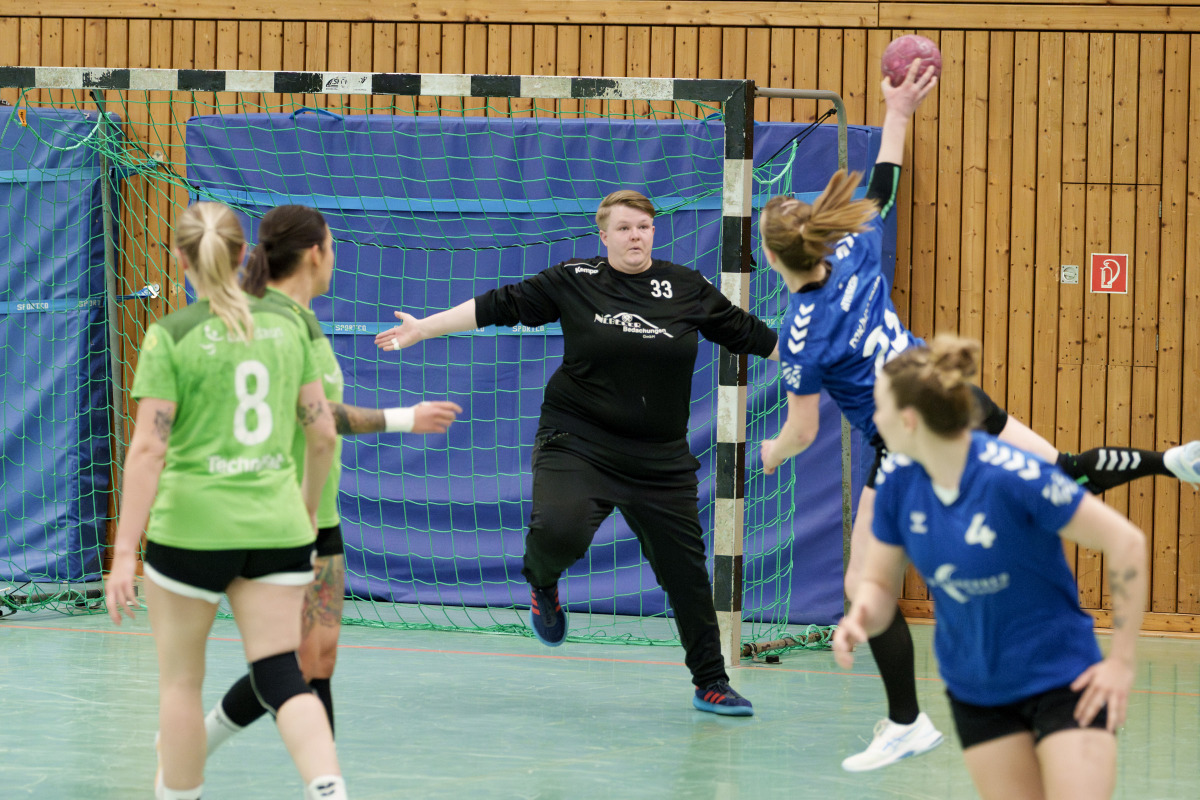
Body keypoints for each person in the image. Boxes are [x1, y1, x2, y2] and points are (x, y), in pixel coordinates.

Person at [758, 60, 1200, 771]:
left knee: (863, 585)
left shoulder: (802, 330)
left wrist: (772, 453)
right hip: (950, 391)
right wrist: (898, 110)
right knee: (1059, 470)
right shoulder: (854, 246)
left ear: (771, 257)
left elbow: (804, 430)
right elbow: (883, 184)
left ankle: (906, 721)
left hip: (905, 436)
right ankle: (1169, 461)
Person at [373, 190, 780, 715]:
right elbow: (500, 305)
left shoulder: (685, 286)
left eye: (644, 227)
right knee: (559, 531)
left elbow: (747, 332)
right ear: (604, 235)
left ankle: (711, 682)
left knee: (687, 575)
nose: (635, 236)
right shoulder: (575, 279)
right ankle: (542, 583)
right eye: (625, 228)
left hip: (659, 459)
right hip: (578, 440)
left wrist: (813, 356)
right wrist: (424, 328)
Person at [104, 202, 349, 800]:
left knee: (180, 686)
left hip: (191, 530)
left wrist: (124, 552)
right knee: (283, 672)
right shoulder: (289, 327)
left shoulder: (171, 335)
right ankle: (328, 788)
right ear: (245, 255)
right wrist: (302, 511)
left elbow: (148, 450)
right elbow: (321, 433)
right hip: (276, 528)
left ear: (179, 259)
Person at [833, 335, 1145, 799]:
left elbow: (1127, 542)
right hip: (976, 691)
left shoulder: (1014, 475)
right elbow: (877, 583)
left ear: (909, 420)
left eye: (879, 408)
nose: (873, 419)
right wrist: (860, 617)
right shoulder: (897, 484)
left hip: (1063, 680)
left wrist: (1121, 661)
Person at [201, 205, 462, 752]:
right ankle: (204, 749)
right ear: (315, 253)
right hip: (278, 513)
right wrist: (403, 418)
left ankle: (201, 746)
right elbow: (316, 421)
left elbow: (317, 414)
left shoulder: (303, 320)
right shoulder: (268, 321)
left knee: (317, 657)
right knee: (285, 660)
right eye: (334, 246)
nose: (336, 258)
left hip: (318, 512)